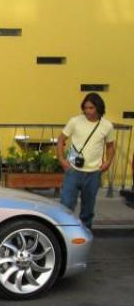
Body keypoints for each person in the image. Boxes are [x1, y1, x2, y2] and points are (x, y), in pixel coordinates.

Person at [57, 93, 115, 229]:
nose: (87, 111)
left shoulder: (107, 126)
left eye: (91, 108)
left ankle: (85, 234)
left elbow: (110, 146)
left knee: (88, 209)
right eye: (85, 108)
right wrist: (61, 160)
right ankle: (64, 232)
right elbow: (61, 140)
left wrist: (107, 163)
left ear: (99, 108)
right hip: (73, 170)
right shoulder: (75, 121)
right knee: (66, 205)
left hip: (93, 173)